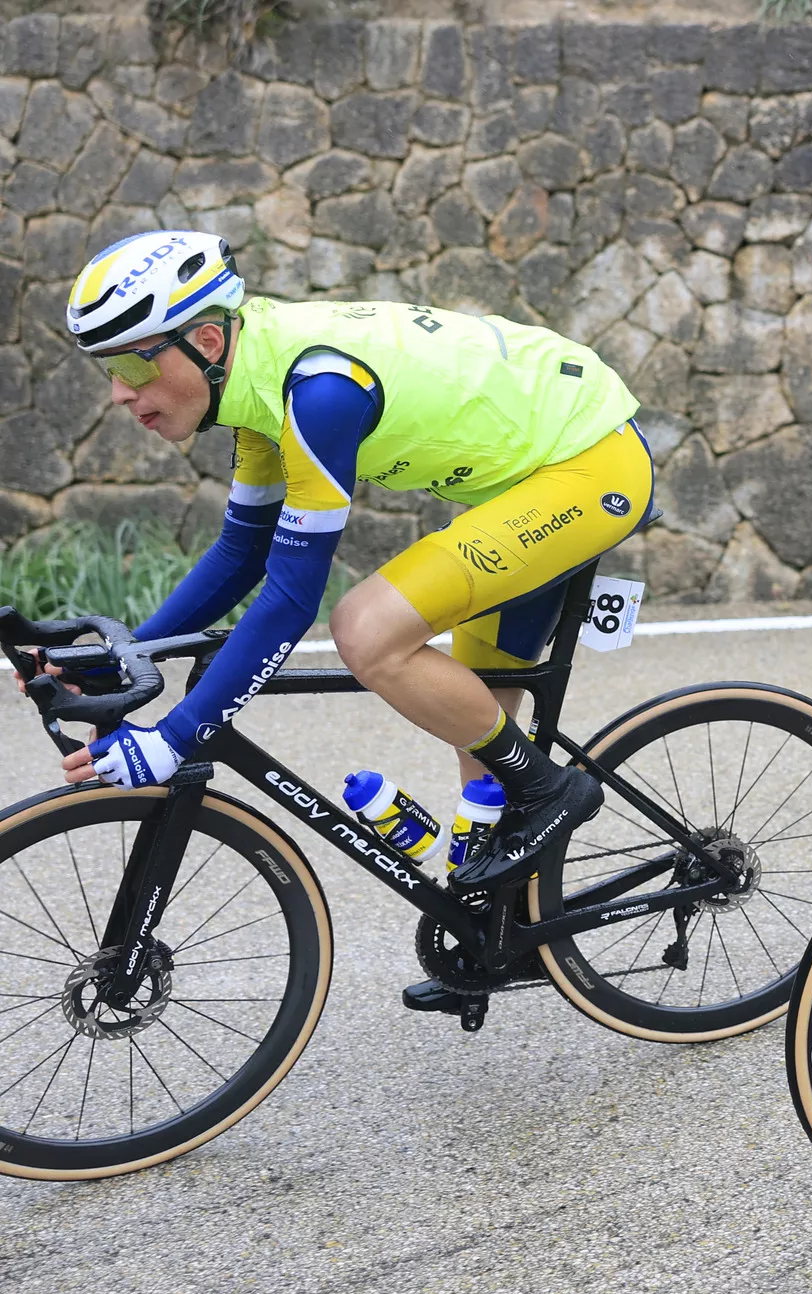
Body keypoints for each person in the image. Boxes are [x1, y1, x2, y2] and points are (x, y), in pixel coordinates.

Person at [58, 231, 649, 916]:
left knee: (366, 631)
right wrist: (118, 662)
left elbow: (290, 596)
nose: (117, 395)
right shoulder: (258, 390)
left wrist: (175, 736)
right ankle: (505, 928)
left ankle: (551, 789)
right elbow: (241, 554)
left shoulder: (318, 394)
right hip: (518, 479)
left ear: (207, 344)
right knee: (475, 720)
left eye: (129, 369)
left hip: (587, 461)